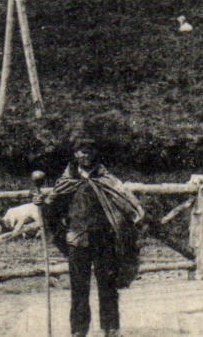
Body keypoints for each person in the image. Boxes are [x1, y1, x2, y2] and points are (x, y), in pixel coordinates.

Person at [42, 137, 145, 337]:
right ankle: (79, 331)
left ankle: (111, 328)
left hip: (104, 241)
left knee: (107, 285)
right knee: (79, 288)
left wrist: (135, 218)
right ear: (75, 155)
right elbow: (52, 209)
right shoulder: (67, 181)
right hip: (77, 240)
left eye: (89, 150)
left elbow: (126, 202)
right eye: (81, 151)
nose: (85, 154)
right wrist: (43, 203)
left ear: (95, 153)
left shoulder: (107, 179)